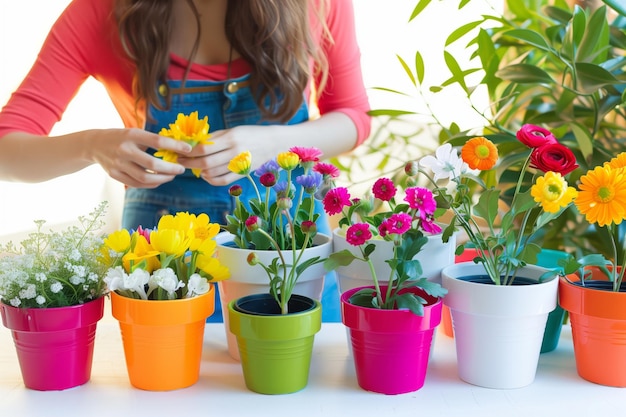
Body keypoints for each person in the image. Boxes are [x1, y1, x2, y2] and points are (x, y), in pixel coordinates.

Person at [0, 0, 371, 322]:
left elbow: (354, 117)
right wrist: (93, 145)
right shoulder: (102, 11)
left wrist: (272, 144)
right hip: (165, 272)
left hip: (290, 255)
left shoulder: (314, 5)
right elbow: (7, 148)